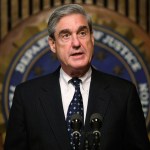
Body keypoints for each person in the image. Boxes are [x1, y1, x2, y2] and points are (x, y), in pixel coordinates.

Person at [4, 3, 150, 150]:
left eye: (82, 33)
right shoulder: (27, 96)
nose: (76, 43)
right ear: (53, 44)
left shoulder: (124, 94)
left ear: (92, 38)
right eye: (66, 35)